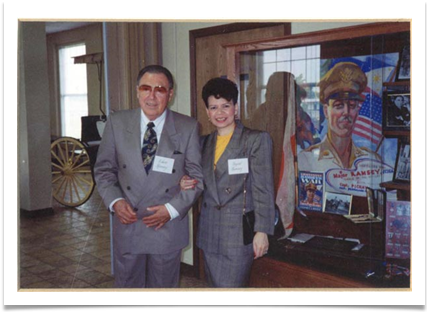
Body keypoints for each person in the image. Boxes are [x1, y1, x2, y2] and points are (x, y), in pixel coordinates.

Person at [94, 65, 204, 288]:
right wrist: (115, 202)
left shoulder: (188, 127)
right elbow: (104, 170)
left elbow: (196, 179)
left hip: (165, 227)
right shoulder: (117, 123)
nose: (151, 96)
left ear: (170, 94)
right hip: (128, 222)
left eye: (160, 90)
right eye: (146, 88)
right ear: (137, 91)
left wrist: (171, 210)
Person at [181, 77, 275, 288]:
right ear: (207, 111)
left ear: (235, 107)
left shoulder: (255, 140)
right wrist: (186, 181)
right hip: (209, 231)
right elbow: (198, 179)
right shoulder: (203, 142)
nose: (220, 113)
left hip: (238, 234)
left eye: (225, 106)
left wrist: (262, 231)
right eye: (213, 107)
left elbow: (263, 189)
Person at [298, 62, 381, 170]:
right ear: (326, 111)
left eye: (351, 105)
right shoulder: (306, 160)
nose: (346, 112)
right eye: (339, 106)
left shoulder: (372, 160)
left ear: (357, 111)